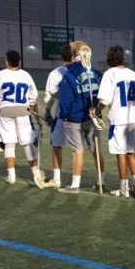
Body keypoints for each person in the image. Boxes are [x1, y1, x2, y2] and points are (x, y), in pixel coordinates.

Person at [0, 50, 44, 188]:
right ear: (19, 61)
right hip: (23, 112)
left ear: (6, 61)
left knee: (9, 144)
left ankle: (11, 175)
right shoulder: (25, 75)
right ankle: (36, 174)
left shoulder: (0, 75)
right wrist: (38, 120)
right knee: (27, 143)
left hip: (6, 111)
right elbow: (33, 100)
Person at [97, 45, 135, 198]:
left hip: (118, 119)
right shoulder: (133, 74)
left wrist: (96, 112)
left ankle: (123, 187)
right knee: (131, 152)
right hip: (132, 119)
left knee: (121, 154)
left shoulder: (109, 74)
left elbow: (105, 100)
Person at [56, 41, 105, 195]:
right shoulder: (97, 73)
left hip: (74, 118)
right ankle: (101, 181)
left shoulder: (69, 74)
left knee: (77, 151)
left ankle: (75, 184)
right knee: (96, 149)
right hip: (91, 116)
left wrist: (64, 116)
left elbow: (66, 100)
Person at [43, 42, 73, 189]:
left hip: (62, 114)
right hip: (81, 114)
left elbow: (49, 97)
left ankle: (57, 178)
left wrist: (47, 112)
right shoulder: (83, 72)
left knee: (56, 145)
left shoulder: (55, 73)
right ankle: (97, 180)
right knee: (79, 149)